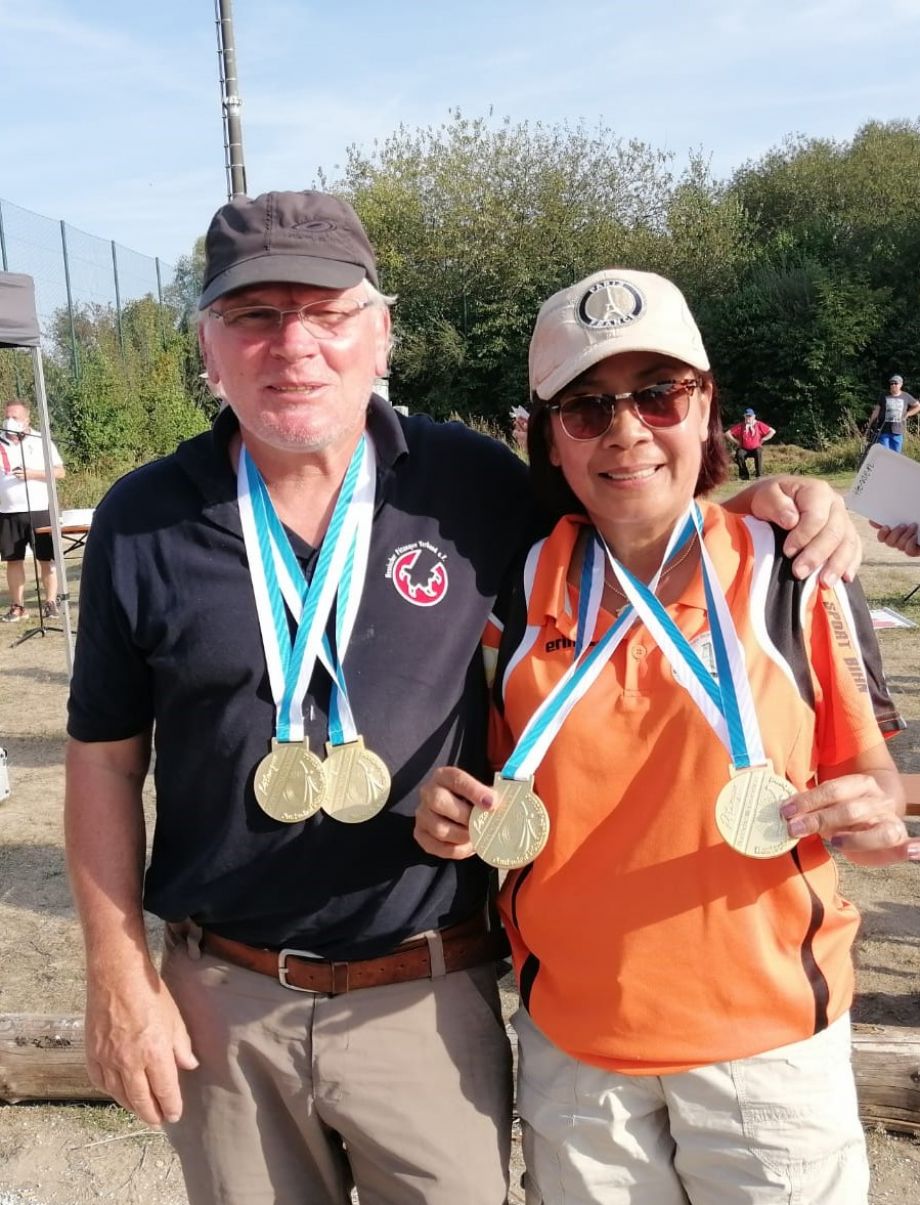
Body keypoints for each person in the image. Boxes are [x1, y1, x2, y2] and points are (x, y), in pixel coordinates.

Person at [64, 192, 865, 1205]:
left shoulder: (472, 483)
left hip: (426, 993)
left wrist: (771, 502)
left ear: (380, 331)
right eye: (254, 315)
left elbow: (634, 498)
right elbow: (101, 757)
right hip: (223, 997)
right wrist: (115, 973)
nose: (293, 345)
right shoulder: (142, 517)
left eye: (326, 311)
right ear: (208, 346)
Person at [416, 268, 913, 1205]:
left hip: (766, 1059)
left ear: (707, 404)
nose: (628, 431)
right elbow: (477, 776)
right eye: (588, 407)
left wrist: (875, 810)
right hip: (579, 1062)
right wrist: (446, 807)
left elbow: (874, 780)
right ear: (547, 437)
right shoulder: (512, 591)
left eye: (659, 393)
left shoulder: (795, 568)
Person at [0, 399, 65, 622]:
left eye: (15, 417)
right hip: (8, 511)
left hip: (39, 509)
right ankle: (18, 606)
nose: (10, 420)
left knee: (46, 558)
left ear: (27, 419)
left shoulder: (40, 440)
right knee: (13, 560)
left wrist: (33, 474)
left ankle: (50, 602)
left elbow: (59, 472)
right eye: (7, 416)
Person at [867, 374, 920, 454]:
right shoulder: (883, 396)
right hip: (884, 429)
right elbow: (876, 411)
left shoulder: (906, 396)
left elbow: (917, 406)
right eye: (891, 383)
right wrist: (870, 423)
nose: (893, 385)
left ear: (901, 384)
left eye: (895, 383)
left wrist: (908, 414)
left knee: (896, 455)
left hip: (898, 431)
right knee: (884, 453)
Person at [725, 405, 775, 479]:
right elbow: (727, 433)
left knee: (759, 452)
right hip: (744, 448)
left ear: (753, 417)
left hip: (756, 448)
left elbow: (772, 431)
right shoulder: (741, 425)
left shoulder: (758, 424)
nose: (748, 418)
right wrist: (736, 441)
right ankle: (744, 475)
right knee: (739, 454)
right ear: (744, 416)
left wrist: (764, 439)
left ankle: (759, 475)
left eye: (750, 416)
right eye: (746, 416)